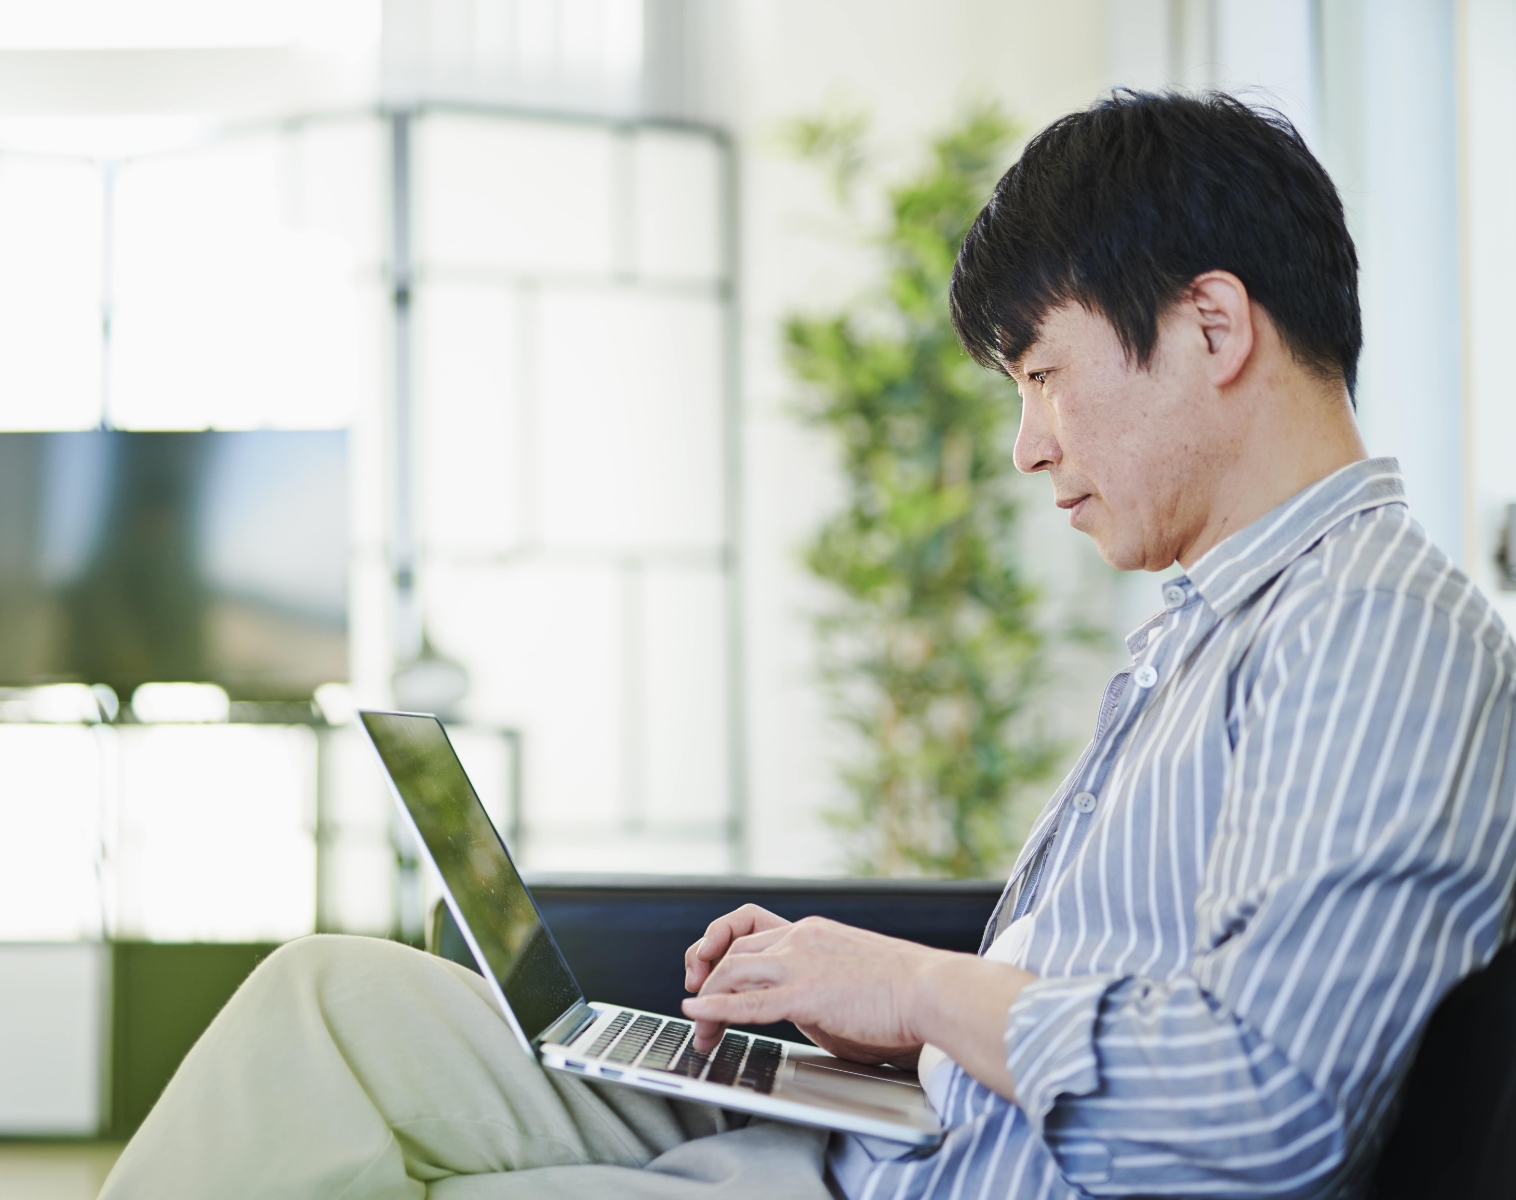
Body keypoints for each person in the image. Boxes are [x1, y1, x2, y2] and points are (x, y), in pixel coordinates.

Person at [97, 90, 1516, 1200]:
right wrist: (888, 1013)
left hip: (920, 1179)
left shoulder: (1370, 639)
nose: (1030, 448)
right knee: (326, 1008)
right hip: (891, 1130)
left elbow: (1265, 1111)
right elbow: (1120, 978)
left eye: (1044, 377)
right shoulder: (1224, 622)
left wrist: (915, 989)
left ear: (1211, 326)